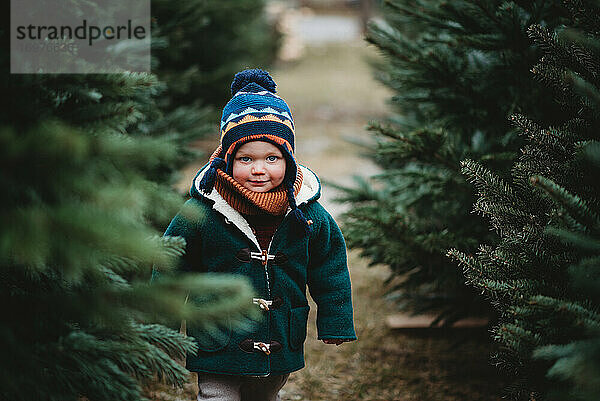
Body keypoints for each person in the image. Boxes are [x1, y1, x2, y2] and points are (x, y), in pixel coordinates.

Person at [162, 68, 357, 401]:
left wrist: (336, 319)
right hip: (218, 337)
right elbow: (169, 262)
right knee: (216, 394)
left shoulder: (306, 213)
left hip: (277, 336)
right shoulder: (204, 210)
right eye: (245, 158)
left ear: (289, 160)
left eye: (272, 157)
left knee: (266, 394)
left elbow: (329, 266)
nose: (258, 168)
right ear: (225, 159)